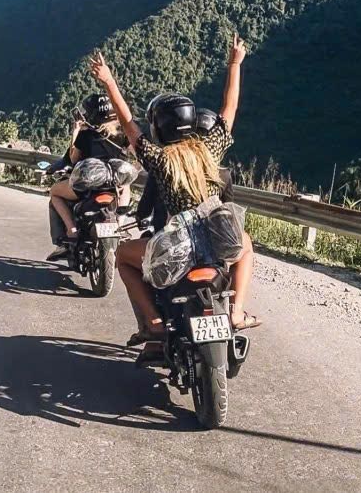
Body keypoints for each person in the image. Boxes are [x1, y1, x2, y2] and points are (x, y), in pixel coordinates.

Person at [90, 34, 260, 344]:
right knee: (245, 246)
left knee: (123, 256)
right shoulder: (210, 150)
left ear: (159, 128)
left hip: (178, 245)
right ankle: (236, 313)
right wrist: (235, 63)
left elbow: (127, 123)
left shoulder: (159, 159)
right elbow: (229, 108)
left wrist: (109, 81)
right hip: (217, 238)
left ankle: (154, 324)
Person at [46, 93, 130, 259]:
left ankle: (71, 230)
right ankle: (119, 223)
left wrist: (76, 130)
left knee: (54, 192)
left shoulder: (86, 135)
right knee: (126, 185)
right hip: (113, 185)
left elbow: (73, 159)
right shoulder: (122, 135)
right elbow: (134, 154)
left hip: (87, 186)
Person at [136, 108, 234, 234]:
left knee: (127, 246)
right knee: (245, 240)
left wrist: (141, 216)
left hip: (170, 237)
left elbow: (146, 204)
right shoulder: (223, 174)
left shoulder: (166, 165)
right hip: (212, 236)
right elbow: (229, 211)